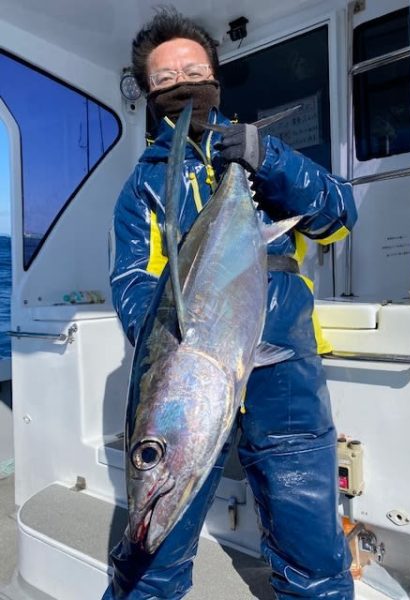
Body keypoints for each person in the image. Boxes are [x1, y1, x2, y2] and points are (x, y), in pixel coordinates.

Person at [104, 7, 357, 600]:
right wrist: (186, 349)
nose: (182, 83)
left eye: (194, 69)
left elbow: (340, 218)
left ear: (216, 75)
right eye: (165, 79)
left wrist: (269, 159)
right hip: (191, 378)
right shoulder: (143, 185)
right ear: (147, 93)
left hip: (282, 362)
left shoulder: (259, 158)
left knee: (313, 547)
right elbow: (133, 284)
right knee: (151, 557)